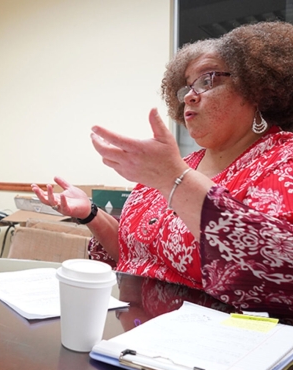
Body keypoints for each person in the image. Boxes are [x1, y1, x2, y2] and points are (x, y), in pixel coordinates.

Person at [32, 21, 293, 319]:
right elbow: (134, 257)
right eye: (185, 87)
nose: (189, 97)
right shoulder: (179, 165)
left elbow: (279, 266)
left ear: (257, 88)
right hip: (138, 339)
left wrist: (173, 180)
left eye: (208, 80)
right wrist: (91, 214)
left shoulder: (282, 160)